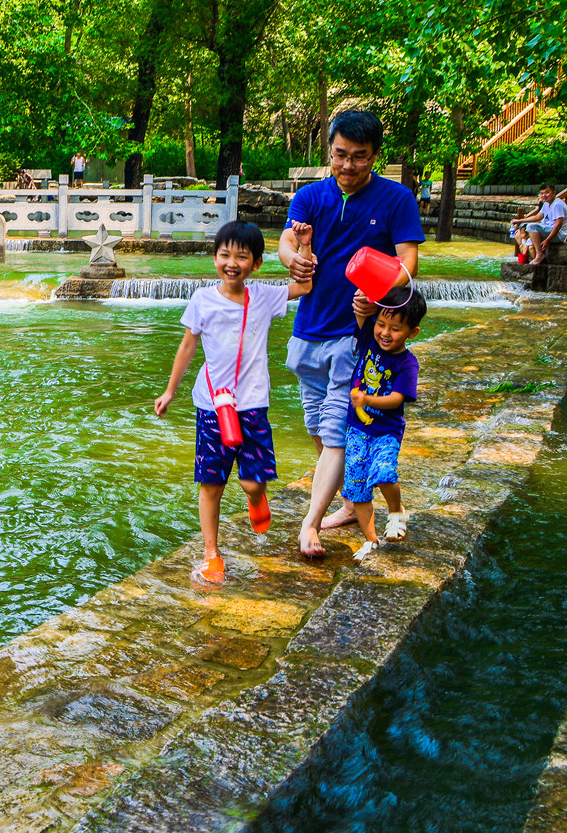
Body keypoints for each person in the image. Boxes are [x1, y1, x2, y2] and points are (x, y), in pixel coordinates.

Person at [279, 110, 424, 559]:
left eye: (359, 158)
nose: (348, 165)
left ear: (375, 155)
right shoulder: (310, 196)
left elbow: (408, 263)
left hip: (354, 335)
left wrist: (378, 292)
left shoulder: (396, 199)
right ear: (330, 151)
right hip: (307, 331)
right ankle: (349, 502)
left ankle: (310, 523)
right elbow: (286, 241)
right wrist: (293, 260)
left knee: (337, 430)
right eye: (340, 155)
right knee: (320, 429)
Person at [155, 221, 314, 582]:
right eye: (224, 254)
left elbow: (305, 285)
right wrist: (170, 391)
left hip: (253, 404)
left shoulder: (263, 297)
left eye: (241, 257)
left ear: (255, 264)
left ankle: (256, 500)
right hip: (212, 405)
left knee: (253, 482)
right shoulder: (202, 301)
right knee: (211, 482)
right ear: (214, 258)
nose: (231, 262)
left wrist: (304, 245)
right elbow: (187, 345)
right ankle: (212, 553)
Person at [344, 288, 425, 562]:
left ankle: (396, 511)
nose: (385, 333)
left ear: (412, 332)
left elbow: (397, 399)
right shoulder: (369, 337)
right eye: (381, 324)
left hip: (385, 432)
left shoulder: (407, 363)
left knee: (383, 472)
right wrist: (364, 295)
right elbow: (360, 310)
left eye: (395, 328)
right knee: (357, 486)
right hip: (357, 428)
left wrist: (367, 398)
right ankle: (370, 540)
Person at [509, 184, 567, 267]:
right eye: (542, 193)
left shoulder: (557, 205)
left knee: (531, 227)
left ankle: (539, 254)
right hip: (548, 229)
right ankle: (525, 256)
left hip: (559, 234)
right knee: (523, 227)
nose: (544, 195)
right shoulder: (546, 204)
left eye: (547, 193)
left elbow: (559, 224)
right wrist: (519, 220)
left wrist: (547, 240)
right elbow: (537, 217)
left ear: (554, 193)